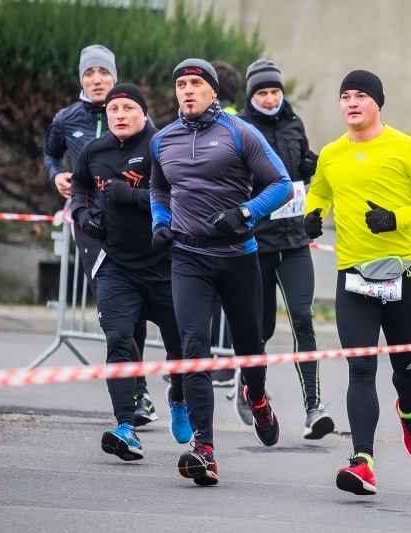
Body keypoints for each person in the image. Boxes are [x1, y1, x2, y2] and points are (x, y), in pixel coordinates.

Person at [304, 70, 411, 495]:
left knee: (407, 371)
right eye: (345, 96)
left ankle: (407, 412)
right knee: (361, 368)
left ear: (377, 104)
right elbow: (320, 192)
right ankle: (362, 461)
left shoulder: (405, 147)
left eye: (362, 96)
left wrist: (396, 219)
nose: (352, 103)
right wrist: (312, 215)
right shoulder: (332, 153)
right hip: (353, 277)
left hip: (401, 273)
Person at [149, 58, 292, 486]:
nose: (187, 90)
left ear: (213, 91)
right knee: (195, 349)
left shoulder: (238, 132)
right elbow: (159, 188)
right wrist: (159, 221)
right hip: (188, 257)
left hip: (237, 256)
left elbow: (281, 183)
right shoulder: (163, 140)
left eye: (196, 83)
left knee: (250, 345)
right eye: (181, 84)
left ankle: (258, 395)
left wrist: (245, 212)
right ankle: (204, 448)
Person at [69, 83, 192, 461]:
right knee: (119, 339)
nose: (119, 115)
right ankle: (125, 426)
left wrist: (133, 197)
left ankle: (178, 396)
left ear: (142, 111)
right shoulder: (95, 150)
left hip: (165, 264)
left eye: (127, 108)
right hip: (117, 266)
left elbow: (181, 195)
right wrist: (83, 214)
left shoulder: (161, 145)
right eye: (112, 109)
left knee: (181, 346)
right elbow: (79, 186)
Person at [43, 44, 158, 426]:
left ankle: (138, 391)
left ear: (113, 77)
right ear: (81, 79)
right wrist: (55, 174)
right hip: (89, 225)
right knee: (118, 308)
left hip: (129, 222)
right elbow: (49, 155)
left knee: (132, 307)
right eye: (89, 74)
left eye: (103, 74)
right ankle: (135, 390)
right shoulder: (66, 118)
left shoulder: (132, 117)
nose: (97, 80)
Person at [236, 58, 334, 439]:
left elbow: (299, 168)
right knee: (257, 328)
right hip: (256, 244)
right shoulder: (240, 128)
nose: (271, 98)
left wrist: (309, 165)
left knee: (302, 319)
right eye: (263, 92)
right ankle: (251, 392)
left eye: (275, 91)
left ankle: (314, 407)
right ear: (252, 96)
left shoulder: (294, 123)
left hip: (294, 242)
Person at [208, 60, 243, 387]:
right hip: (222, 221)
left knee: (222, 297)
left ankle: (222, 362)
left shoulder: (226, 123)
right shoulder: (235, 120)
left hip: (223, 222)